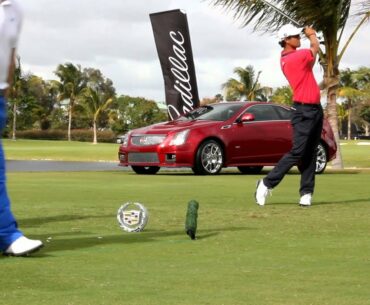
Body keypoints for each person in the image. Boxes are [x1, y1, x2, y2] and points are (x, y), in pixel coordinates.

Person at [255, 24, 323, 207]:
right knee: (298, 152)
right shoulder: (293, 57)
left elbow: (313, 57)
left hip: (316, 109)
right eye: (295, 36)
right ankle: (266, 183)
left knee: (311, 152)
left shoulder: (296, 57)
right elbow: (314, 48)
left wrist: (311, 39)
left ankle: (306, 193)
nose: (299, 38)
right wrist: (312, 34)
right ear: (286, 40)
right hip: (303, 110)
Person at [0, 0, 43, 256]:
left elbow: (10, 53)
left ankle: (7, 236)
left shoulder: (15, 10)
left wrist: (5, 90)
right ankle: (7, 235)